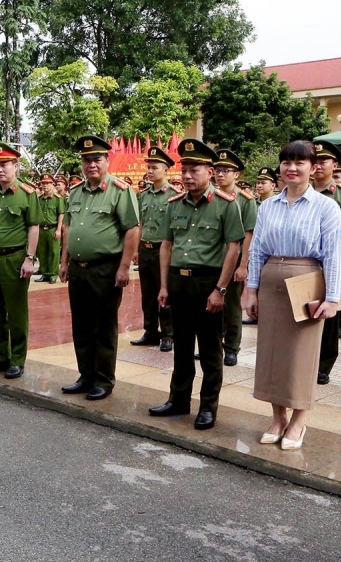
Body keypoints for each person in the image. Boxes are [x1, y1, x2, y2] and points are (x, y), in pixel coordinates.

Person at [242, 140, 341, 449]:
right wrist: (251, 289)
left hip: (307, 281)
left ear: (313, 168)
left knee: (301, 356)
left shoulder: (326, 207)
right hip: (272, 279)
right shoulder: (267, 206)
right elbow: (257, 251)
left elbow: (335, 255)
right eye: (287, 162)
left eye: (300, 162)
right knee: (271, 354)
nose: (292, 168)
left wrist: (331, 298)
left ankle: (299, 420)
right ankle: (278, 417)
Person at [148, 138, 244, 431]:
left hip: (208, 283)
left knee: (211, 350)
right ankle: (178, 400)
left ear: (210, 172)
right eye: (184, 170)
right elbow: (166, 245)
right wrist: (164, 286)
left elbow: (233, 249)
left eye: (194, 170)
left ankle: (207, 407)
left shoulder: (227, 205)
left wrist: (221, 289)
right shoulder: (174, 203)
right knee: (181, 346)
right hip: (179, 281)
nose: (188, 176)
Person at [59, 135, 140, 400]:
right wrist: (64, 262)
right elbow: (68, 227)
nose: (91, 165)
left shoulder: (120, 190)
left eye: (96, 159)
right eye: (86, 160)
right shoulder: (75, 192)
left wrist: (124, 267)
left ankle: (103, 380)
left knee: (103, 326)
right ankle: (86, 375)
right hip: (78, 269)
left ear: (107, 160)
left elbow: (132, 229)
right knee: (81, 325)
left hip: (105, 269)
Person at [0, 143, 41, 380]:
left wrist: (29, 258)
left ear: (16, 166)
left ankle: (17, 359)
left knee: (16, 312)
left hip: (14, 259)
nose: (0, 169)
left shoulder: (27, 194)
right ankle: (1, 355)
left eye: (4, 164)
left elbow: (33, 227)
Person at [309, 141, 341, 384]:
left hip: (332, 262)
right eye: (314, 161)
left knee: (329, 316)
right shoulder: (302, 190)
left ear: (334, 165)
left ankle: (324, 365)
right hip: (307, 262)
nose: (318, 165)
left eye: (323, 161)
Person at [212, 149, 256, 367]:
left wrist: (243, 265)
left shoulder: (246, 200)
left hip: (233, 261)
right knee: (212, 306)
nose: (220, 175)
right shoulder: (211, 197)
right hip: (212, 260)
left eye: (225, 171)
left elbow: (248, 235)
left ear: (236, 174)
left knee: (231, 307)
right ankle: (213, 346)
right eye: (217, 170)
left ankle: (231, 348)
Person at [133, 146, 178, 352]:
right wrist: (137, 248)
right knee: (147, 294)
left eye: (155, 168)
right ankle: (150, 331)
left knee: (164, 292)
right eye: (148, 167)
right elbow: (141, 223)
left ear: (166, 169)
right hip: (146, 248)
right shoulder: (144, 195)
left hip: (164, 249)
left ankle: (168, 334)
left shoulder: (174, 195)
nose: (150, 171)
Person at [34, 175, 65, 284]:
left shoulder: (58, 198)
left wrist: (58, 229)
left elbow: (61, 214)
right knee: (42, 252)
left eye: (47, 183)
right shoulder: (39, 199)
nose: (45, 185)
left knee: (53, 252)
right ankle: (45, 273)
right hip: (41, 229)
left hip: (53, 228)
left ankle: (53, 274)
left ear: (53, 185)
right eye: (43, 183)